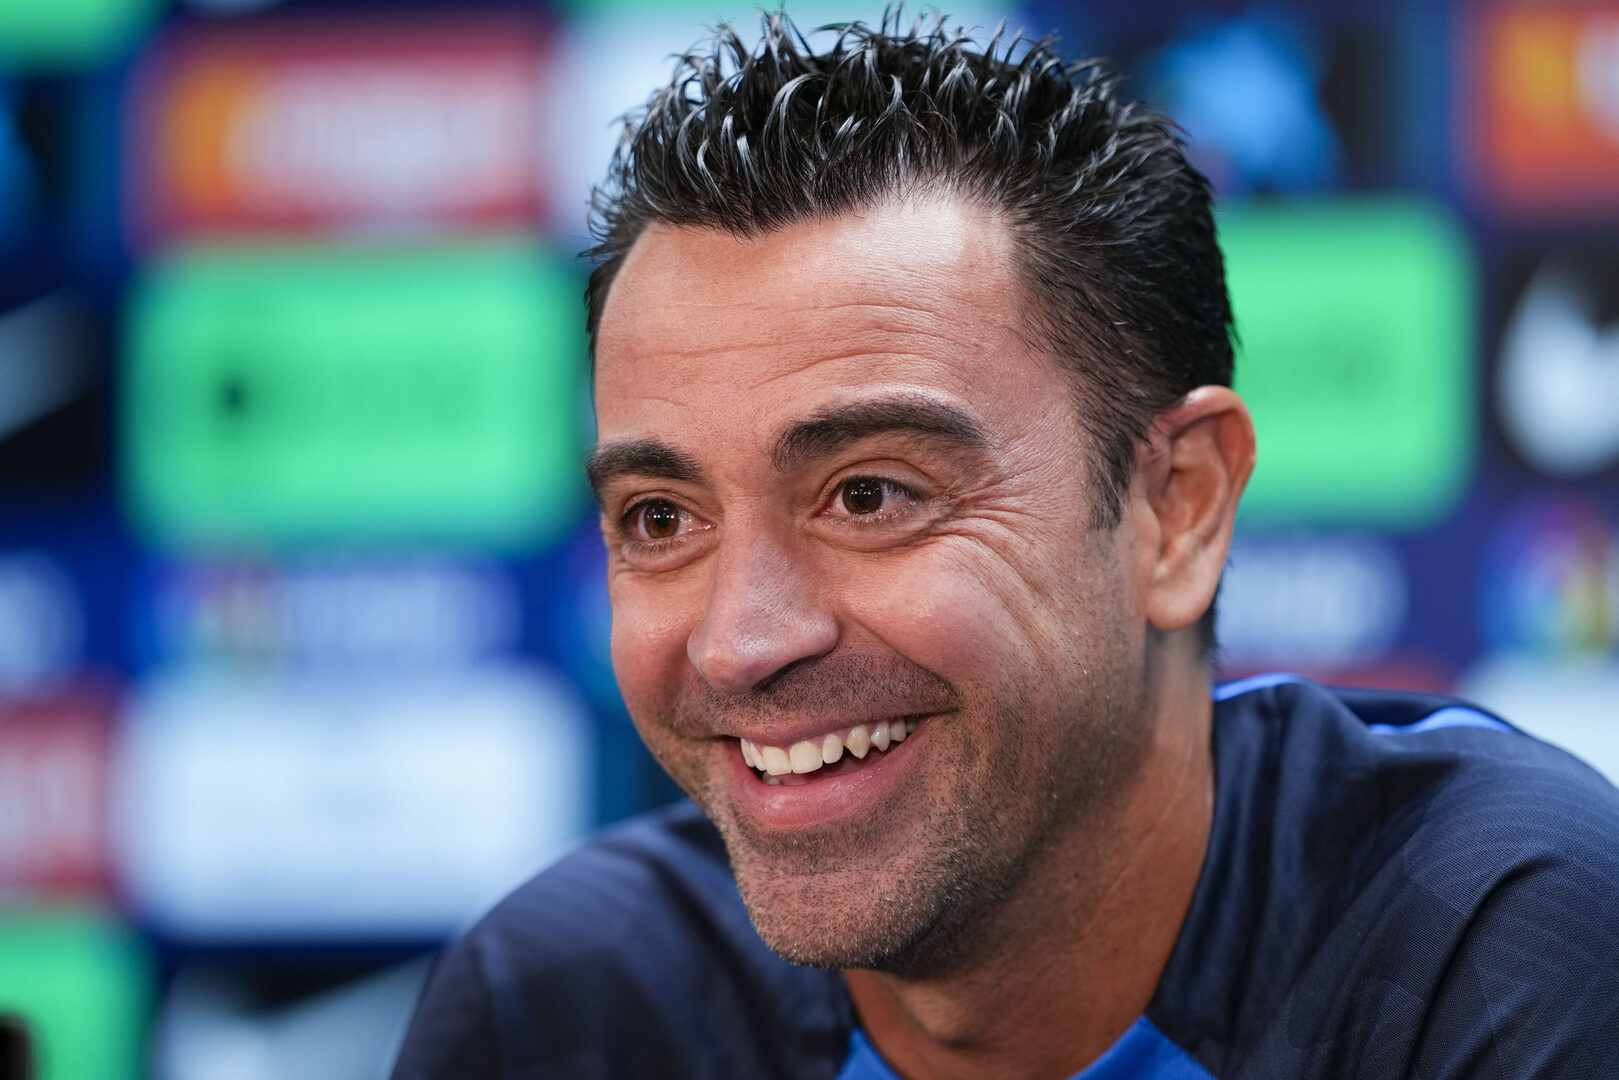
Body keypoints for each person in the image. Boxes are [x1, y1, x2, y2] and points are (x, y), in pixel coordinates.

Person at [392, 12, 1619, 1079]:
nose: (738, 643)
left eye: (869, 495)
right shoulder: (570, 1004)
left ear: (1176, 507)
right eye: (661, 519)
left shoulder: (1496, 937)